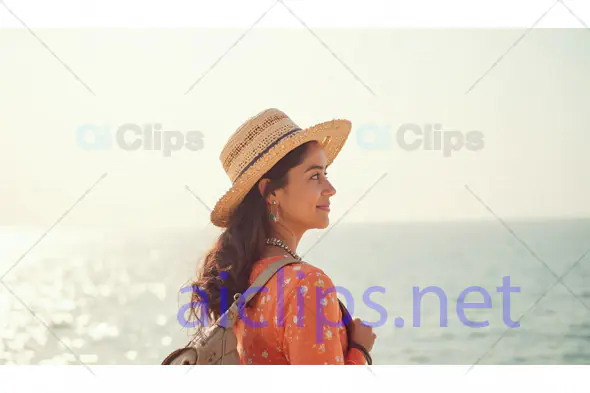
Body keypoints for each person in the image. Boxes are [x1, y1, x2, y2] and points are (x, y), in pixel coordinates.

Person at [187, 108, 376, 365]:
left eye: (326, 175)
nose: (330, 189)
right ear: (270, 192)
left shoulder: (245, 278)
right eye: (314, 176)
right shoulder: (306, 285)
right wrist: (359, 351)